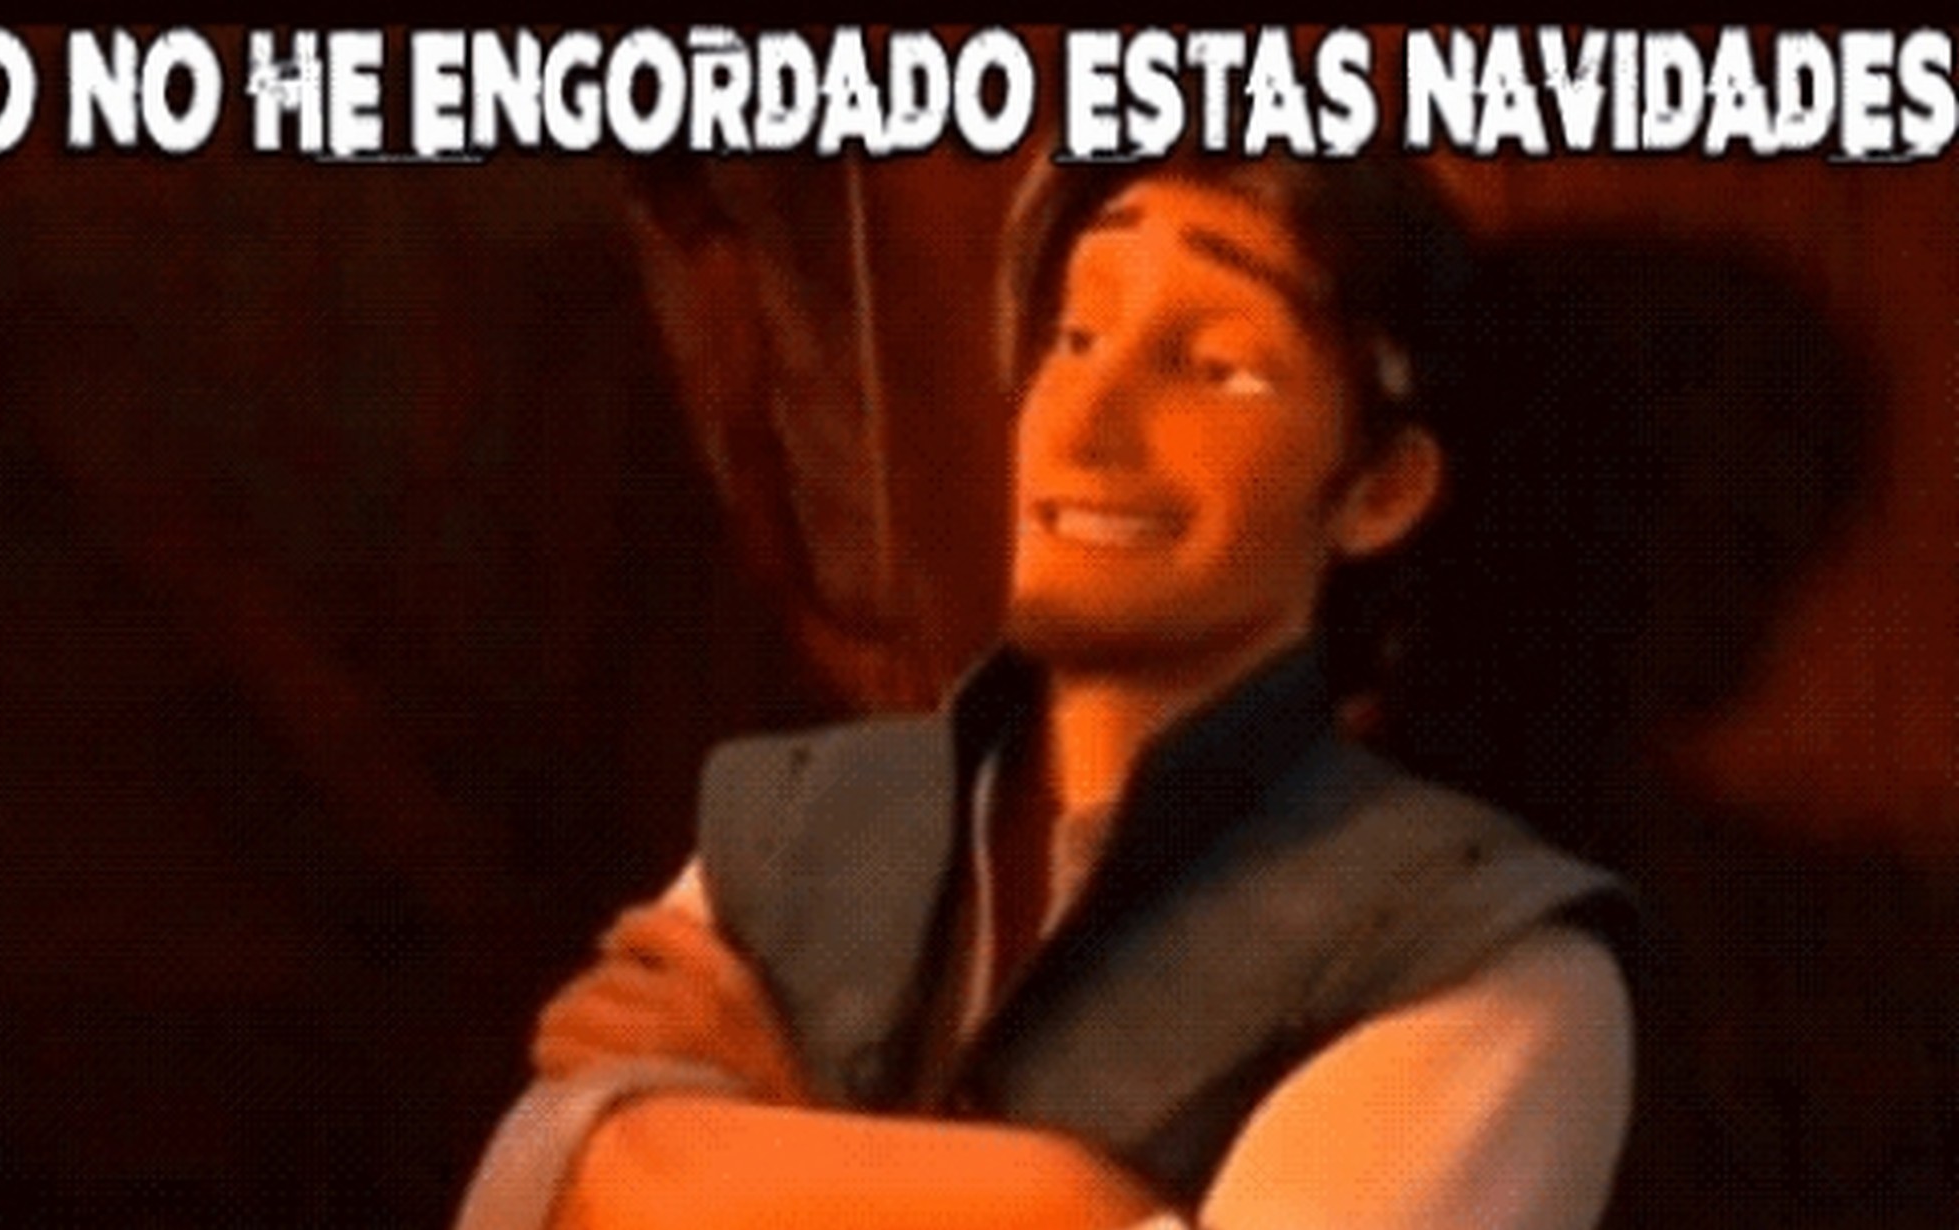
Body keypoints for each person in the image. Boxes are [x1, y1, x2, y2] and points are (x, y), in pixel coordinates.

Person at [455, 149, 1638, 1230]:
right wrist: (1062, 1198)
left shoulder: (1485, 956)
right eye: (1074, 338)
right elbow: (561, 1181)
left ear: (1379, 490)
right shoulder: (801, 828)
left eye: (1214, 369)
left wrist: (786, 1122)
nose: (1087, 422)